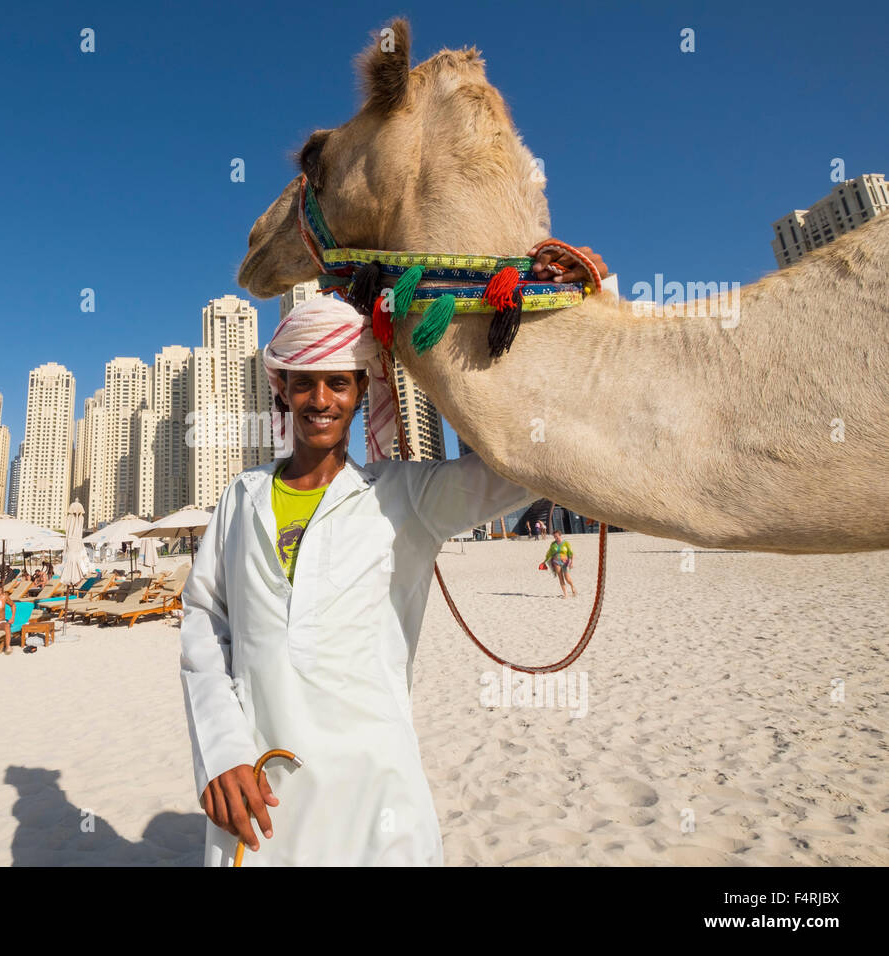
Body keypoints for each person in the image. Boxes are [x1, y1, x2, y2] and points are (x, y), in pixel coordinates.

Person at [179, 270, 610, 866]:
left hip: (375, 801)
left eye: (338, 382)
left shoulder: (406, 497)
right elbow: (205, 623)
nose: (321, 400)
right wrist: (220, 751)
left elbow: (525, 462)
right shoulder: (239, 497)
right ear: (283, 391)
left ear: (361, 391)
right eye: (305, 384)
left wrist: (576, 300)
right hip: (259, 792)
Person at [543, 530, 577, 598]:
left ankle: (572, 586)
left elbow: (571, 553)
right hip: (556, 562)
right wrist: (545, 561)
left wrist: (571, 562)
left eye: (556, 536)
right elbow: (549, 553)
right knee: (560, 578)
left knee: (567, 578)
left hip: (565, 562)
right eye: (554, 536)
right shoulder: (553, 544)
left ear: (560, 535)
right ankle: (565, 594)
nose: (555, 538)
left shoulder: (566, 543)